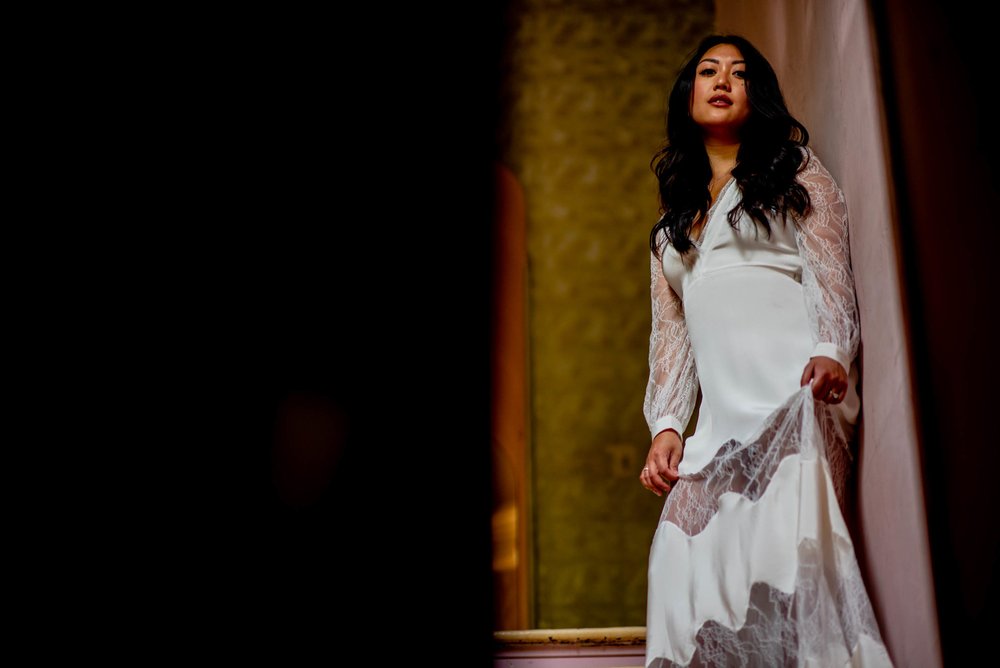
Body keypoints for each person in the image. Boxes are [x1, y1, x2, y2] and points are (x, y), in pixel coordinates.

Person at [639, 34, 894, 667]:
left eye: (740, 73)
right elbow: (671, 337)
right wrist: (668, 424)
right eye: (708, 70)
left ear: (759, 96)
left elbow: (828, 264)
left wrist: (832, 348)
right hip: (719, 430)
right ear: (689, 92)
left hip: (797, 397)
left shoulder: (793, 169)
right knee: (678, 555)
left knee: (790, 576)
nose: (723, 80)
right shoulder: (672, 226)